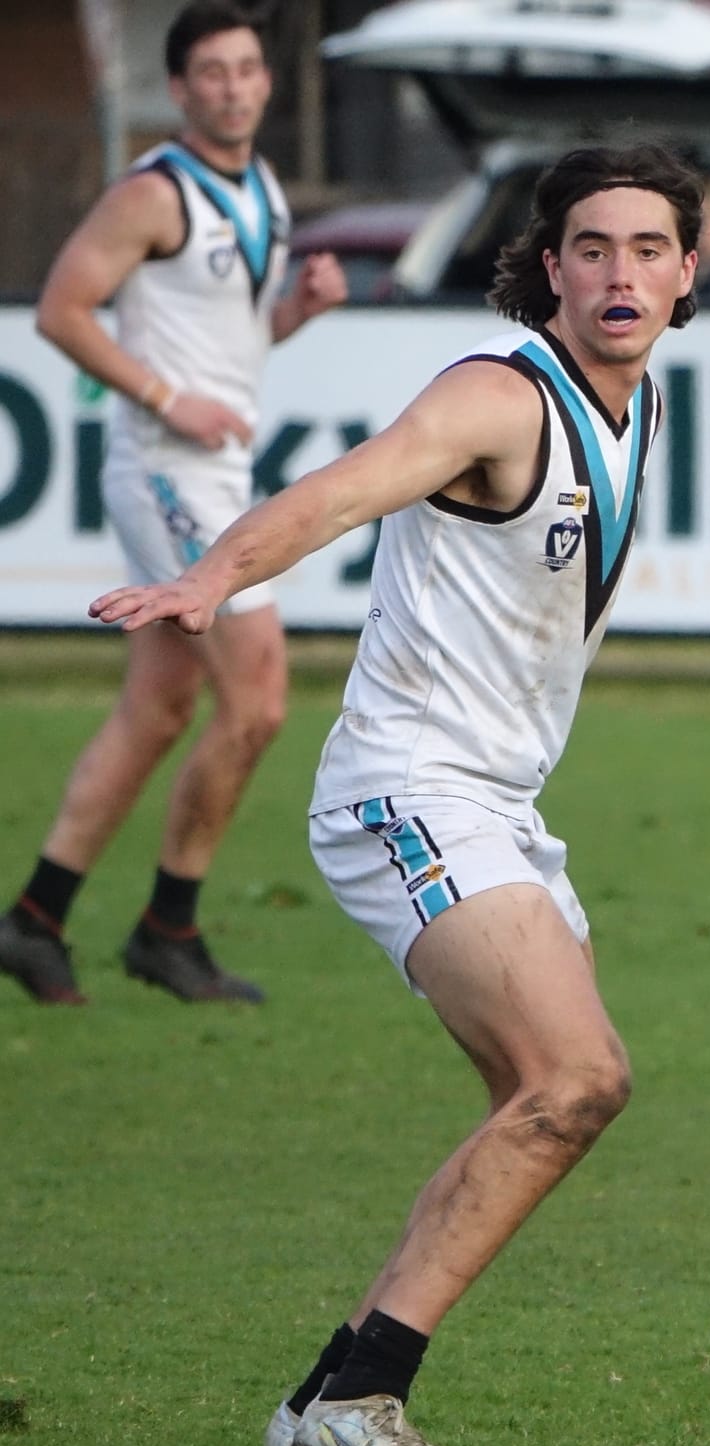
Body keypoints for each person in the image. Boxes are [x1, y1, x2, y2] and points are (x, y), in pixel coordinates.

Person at [89, 142, 704, 1446]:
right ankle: (361, 1402)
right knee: (578, 1077)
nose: (620, 272)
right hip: (408, 789)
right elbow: (343, 489)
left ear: (685, 275)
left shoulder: (637, 404)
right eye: (592, 247)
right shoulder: (497, 395)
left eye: (648, 249)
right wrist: (213, 576)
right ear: (551, 269)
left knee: (533, 1100)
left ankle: (329, 1392)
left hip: (497, 799)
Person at [0, 2, 346, 1008]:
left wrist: (298, 312)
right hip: (165, 470)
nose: (233, 88)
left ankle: (34, 921)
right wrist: (164, 398)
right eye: (213, 73)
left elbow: (227, 346)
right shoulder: (154, 193)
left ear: (265, 82)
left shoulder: (262, 188)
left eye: (247, 69)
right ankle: (168, 928)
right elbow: (63, 309)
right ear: (182, 88)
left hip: (211, 470)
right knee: (259, 698)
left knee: (158, 710)